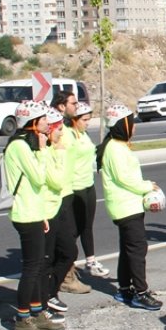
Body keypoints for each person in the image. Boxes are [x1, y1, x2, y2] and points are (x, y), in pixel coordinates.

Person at [3, 101, 64, 330]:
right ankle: (22, 318)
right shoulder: (19, 146)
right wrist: (41, 151)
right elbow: (38, 179)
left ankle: (37, 312)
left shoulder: (26, 145)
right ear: (32, 123)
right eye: (43, 121)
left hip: (34, 212)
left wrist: (43, 214)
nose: (47, 125)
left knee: (39, 266)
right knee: (31, 268)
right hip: (24, 214)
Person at [100, 105, 163, 311]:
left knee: (128, 249)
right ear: (122, 125)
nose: (134, 128)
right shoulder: (115, 149)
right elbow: (125, 178)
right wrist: (148, 186)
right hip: (125, 206)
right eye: (131, 123)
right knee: (137, 250)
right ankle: (141, 293)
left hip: (126, 205)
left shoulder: (117, 145)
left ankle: (125, 288)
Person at [66, 103, 107, 285]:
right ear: (74, 120)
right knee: (74, 228)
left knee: (87, 225)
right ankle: (66, 262)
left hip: (88, 183)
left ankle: (91, 261)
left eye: (89, 120)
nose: (87, 123)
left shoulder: (83, 134)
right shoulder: (67, 136)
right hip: (75, 186)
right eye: (84, 120)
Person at [41, 110, 77, 317]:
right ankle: (43, 300)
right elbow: (56, 180)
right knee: (47, 256)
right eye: (59, 129)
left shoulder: (59, 147)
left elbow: (65, 178)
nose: (62, 134)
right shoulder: (46, 151)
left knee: (68, 252)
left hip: (63, 199)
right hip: (48, 206)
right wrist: (60, 152)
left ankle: (50, 291)